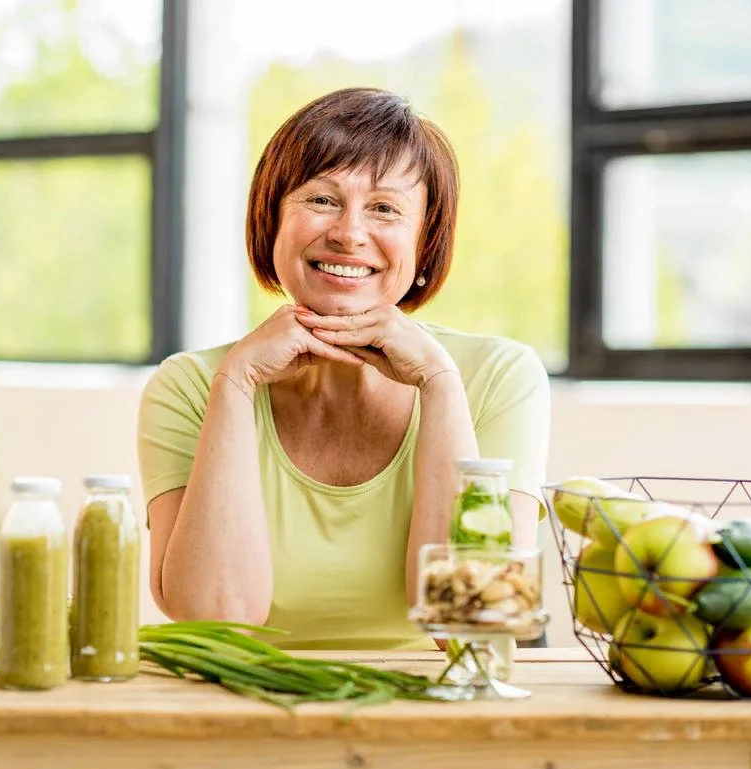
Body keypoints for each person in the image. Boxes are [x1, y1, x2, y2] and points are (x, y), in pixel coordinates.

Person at [136, 87, 550, 650]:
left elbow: (469, 629)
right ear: (271, 224)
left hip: (433, 711)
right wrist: (235, 386)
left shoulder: (499, 376)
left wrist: (439, 384)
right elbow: (216, 620)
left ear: (424, 242)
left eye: (384, 208)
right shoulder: (189, 385)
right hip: (239, 711)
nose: (350, 233)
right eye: (321, 199)